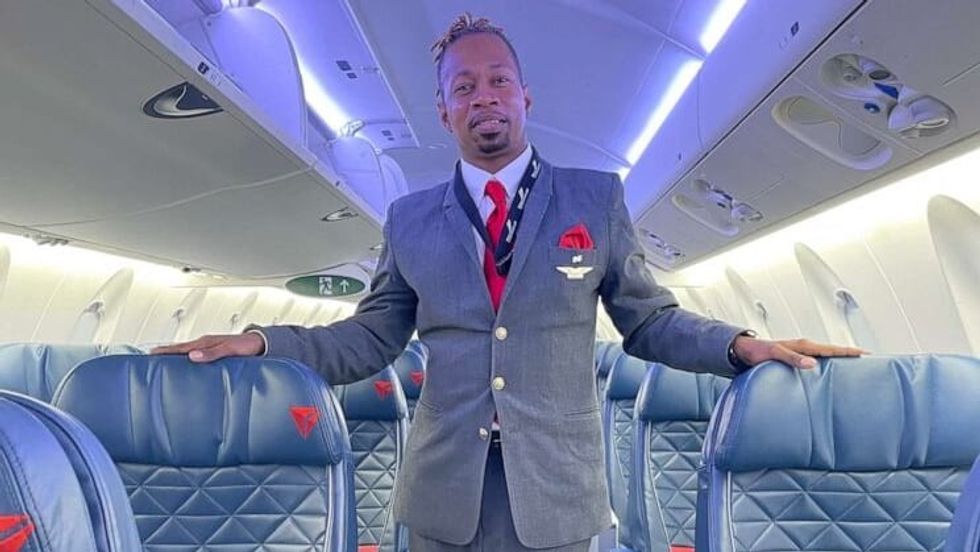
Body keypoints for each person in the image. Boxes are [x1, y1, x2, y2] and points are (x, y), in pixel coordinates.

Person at [153, 13, 863, 551]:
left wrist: (744, 347)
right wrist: (261, 342)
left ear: (525, 96)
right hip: (441, 494)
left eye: (497, 81)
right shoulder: (410, 219)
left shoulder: (594, 198)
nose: (483, 96)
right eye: (464, 86)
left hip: (557, 492)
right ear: (444, 110)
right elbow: (368, 339)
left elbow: (648, 322)